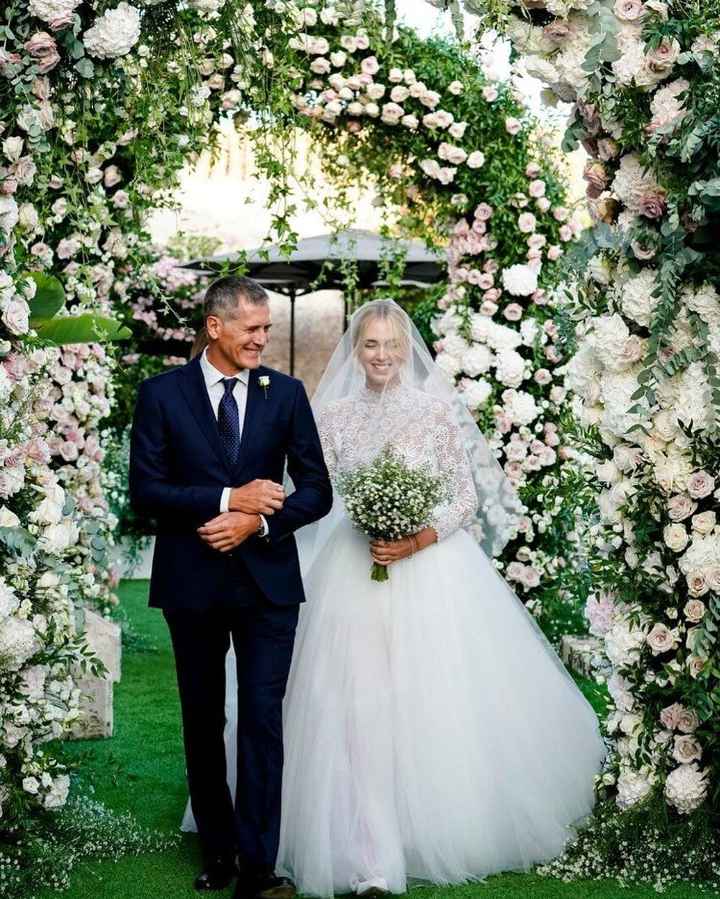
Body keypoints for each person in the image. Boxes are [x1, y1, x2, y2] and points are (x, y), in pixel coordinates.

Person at [184, 298, 606, 897]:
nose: (381, 356)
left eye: (391, 345)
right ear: (356, 353)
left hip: (429, 573)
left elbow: (463, 500)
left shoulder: (434, 415)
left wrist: (415, 539)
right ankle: (360, 846)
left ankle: (420, 827)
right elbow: (315, 490)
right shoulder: (333, 418)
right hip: (351, 573)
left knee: (428, 703)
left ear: (407, 349)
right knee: (353, 705)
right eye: (370, 345)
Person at [130, 275, 333, 899]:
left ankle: (259, 865)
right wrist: (225, 498)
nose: (262, 340)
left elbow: (317, 490)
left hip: (268, 585)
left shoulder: (288, 394)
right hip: (191, 584)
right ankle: (218, 852)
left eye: (266, 329)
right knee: (201, 718)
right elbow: (147, 492)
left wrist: (259, 520)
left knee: (262, 720)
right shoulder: (161, 395)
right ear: (215, 327)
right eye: (252, 328)